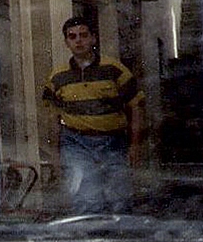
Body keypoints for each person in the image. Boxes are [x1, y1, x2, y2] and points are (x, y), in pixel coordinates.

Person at [42, 16, 144, 215]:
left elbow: (136, 108)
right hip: (76, 144)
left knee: (119, 202)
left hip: (114, 143)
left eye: (83, 35)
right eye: (72, 37)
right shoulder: (57, 77)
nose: (78, 40)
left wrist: (134, 145)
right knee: (87, 201)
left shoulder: (115, 70)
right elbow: (52, 118)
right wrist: (55, 154)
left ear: (93, 39)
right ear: (66, 42)